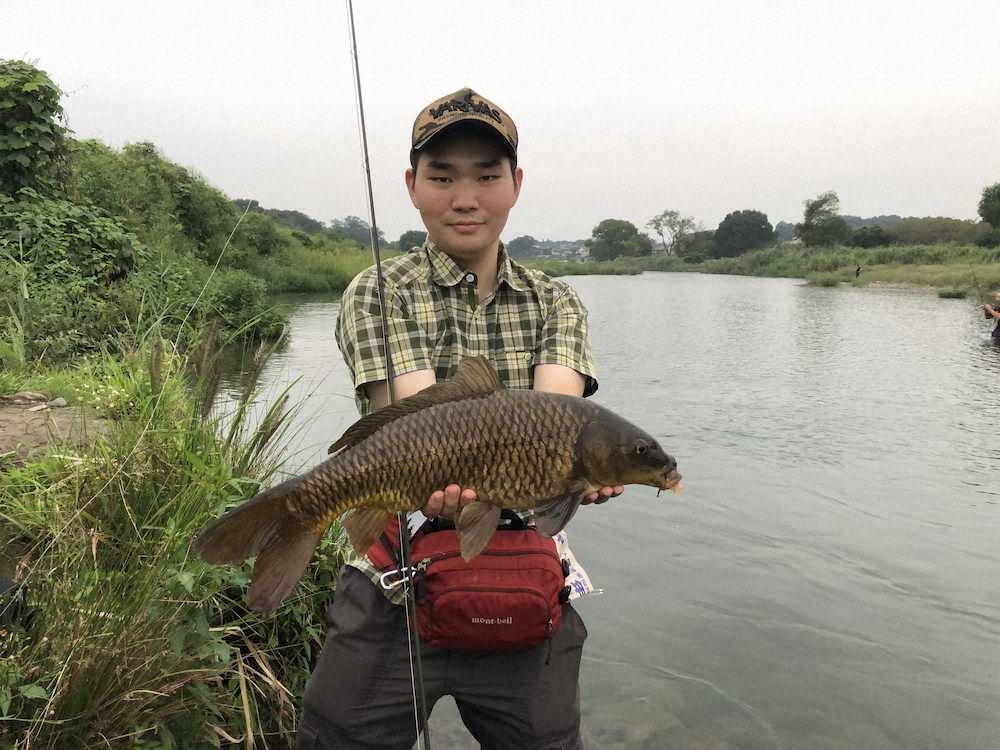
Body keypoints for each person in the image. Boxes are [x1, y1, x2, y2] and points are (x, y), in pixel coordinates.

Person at [296, 88, 620, 750]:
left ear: (516, 185)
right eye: (442, 177)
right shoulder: (379, 290)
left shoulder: (556, 301)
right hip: (396, 578)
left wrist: (586, 467)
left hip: (527, 577)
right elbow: (422, 428)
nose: (465, 198)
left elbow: (555, 418)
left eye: (486, 176)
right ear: (411, 186)